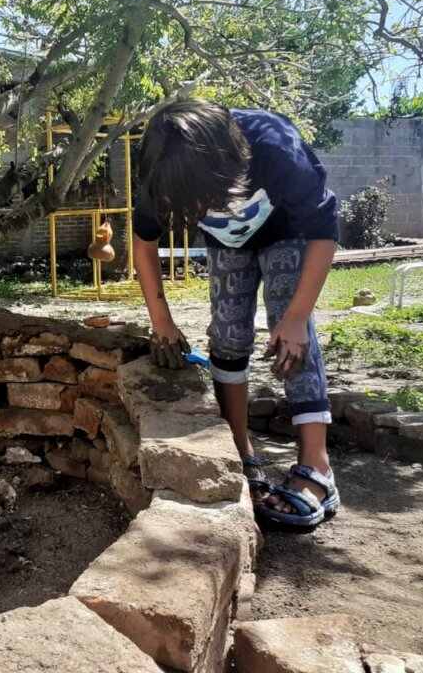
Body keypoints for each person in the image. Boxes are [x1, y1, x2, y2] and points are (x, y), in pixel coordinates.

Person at [133, 98, 339, 528]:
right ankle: (240, 452)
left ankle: (317, 467)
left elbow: (323, 231)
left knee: (291, 336)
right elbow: (144, 242)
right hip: (227, 244)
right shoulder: (162, 168)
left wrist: (297, 318)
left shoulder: (275, 146)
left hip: (292, 234)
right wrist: (162, 322)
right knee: (226, 334)